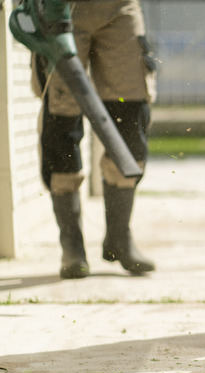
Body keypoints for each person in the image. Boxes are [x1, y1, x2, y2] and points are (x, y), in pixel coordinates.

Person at [32, 0, 157, 279]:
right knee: (61, 118)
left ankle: (119, 238)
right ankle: (72, 246)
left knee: (131, 111)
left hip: (119, 7)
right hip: (61, 8)